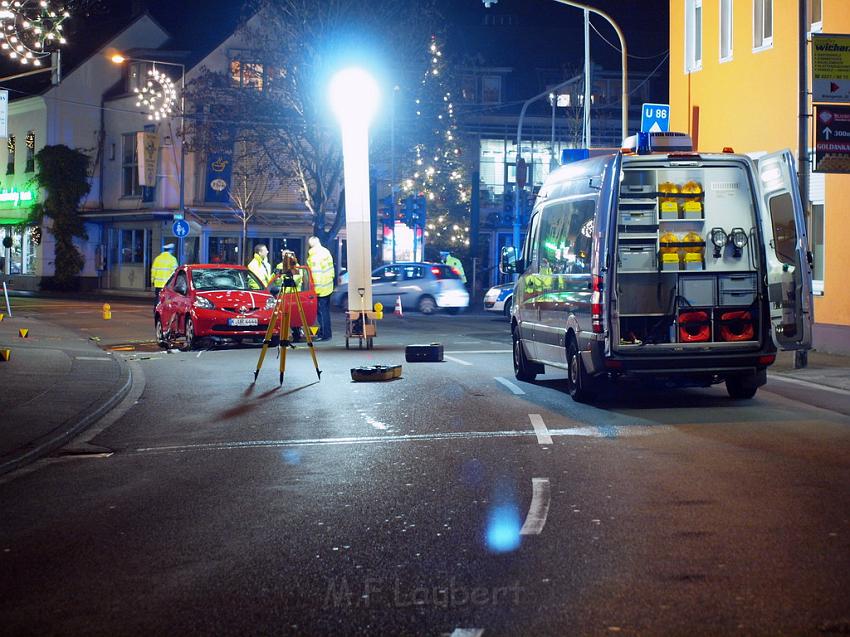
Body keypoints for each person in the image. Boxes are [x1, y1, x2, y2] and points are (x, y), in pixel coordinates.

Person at [307, 236, 335, 341]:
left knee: (321, 313)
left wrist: (316, 291)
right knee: (326, 311)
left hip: (321, 289)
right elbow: (331, 269)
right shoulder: (325, 251)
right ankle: (326, 332)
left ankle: (325, 334)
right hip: (328, 285)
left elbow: (316, 274)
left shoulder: (314, 257)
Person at [274, 248, 304, 342]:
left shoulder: (297, 267)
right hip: (283, 295)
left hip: (294, 295)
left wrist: (287, 276)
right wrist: (278, 277)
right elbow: (276, 281)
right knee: (282, 317)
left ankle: (297, 334)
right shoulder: (279, 266)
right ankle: (283, 336)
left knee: (294, 317)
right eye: (283, 256)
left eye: (286, 256)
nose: (284, 258)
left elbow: (296, 280)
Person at [150, 242, 177, 311]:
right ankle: (164, 313)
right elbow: (175, 273)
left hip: (158, 284)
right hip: (167, 285)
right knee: (167, 299)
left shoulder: (157, 259)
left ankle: (156, 311)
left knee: (158, 299)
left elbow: (153, 271)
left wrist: (152, 281)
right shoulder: (172, 259)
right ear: (170, 250)